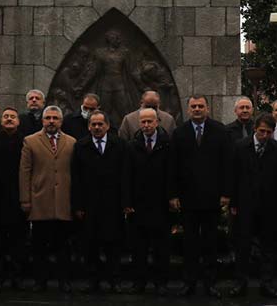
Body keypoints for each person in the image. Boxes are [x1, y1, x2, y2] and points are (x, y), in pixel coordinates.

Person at [171, 94, 230, 297]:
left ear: (207, 108)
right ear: (188, 109)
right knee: (189, 243)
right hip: (188, 199)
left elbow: (226, 164)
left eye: (200, 106)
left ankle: (210, 283)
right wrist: (174, 195)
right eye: (193, 106)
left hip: (212, 198)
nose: (197, 109)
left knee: (210, 243)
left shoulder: (220, 131)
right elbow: (173, 167)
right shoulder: (179, 133)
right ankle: (189, 282)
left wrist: (225, 193)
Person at [70, 110, 129, 293]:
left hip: (113, 203)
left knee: (113, 245)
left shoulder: (119, 144)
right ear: (89, 126)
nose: (97, 127)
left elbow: (125, 175)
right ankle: (92, 280)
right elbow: (76, 177)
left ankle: (114, 280)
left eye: (100, 124)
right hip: (89, 205)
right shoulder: (81, 146)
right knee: (91, 245)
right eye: (93, 124)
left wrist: (125, 202)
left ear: (107, 126)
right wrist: (78, 205)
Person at [19, 105, 76, 293]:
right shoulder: (30, 141)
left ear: (61, 121)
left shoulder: (72, 142)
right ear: (42, 120)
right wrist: (25, 200)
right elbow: (25, 172)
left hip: (63, 202)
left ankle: (64, 281)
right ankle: (40, 281)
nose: (51, 121)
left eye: (55, 118)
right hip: (39, 201)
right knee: (39, 247)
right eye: (48, 118)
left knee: (63, 246)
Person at [228, 115, 277, 298]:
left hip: (269, 206)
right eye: (262, 131)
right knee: (243, 246)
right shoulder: (240, 146)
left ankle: (266, 283)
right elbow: (233, 177)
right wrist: (233, 204)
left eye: (269, 132)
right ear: (255, 129)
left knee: (268, 247)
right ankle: (240, 283)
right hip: (245, 205)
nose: (265, 135)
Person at [125, 107, 173, 295]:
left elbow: (172, 173)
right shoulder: (132, 145)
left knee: (162, 247)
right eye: (143, 122)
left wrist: (171, 197)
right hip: (138, 204)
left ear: (157, 122)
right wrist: (127, 201)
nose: (146, 125)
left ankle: (161, 282)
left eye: (149, 121)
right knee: (139, 247)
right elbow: (126, 175)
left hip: (161, 204)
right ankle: (140, 282)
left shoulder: (167, 144)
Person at [0, 107, 28, 289]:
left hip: (19, 198)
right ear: (1, 120)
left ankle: (17, 276)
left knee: (19, 241)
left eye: (13, 116)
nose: (9, 119)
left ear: (18, 121)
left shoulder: (26, 142)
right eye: (6, 116)